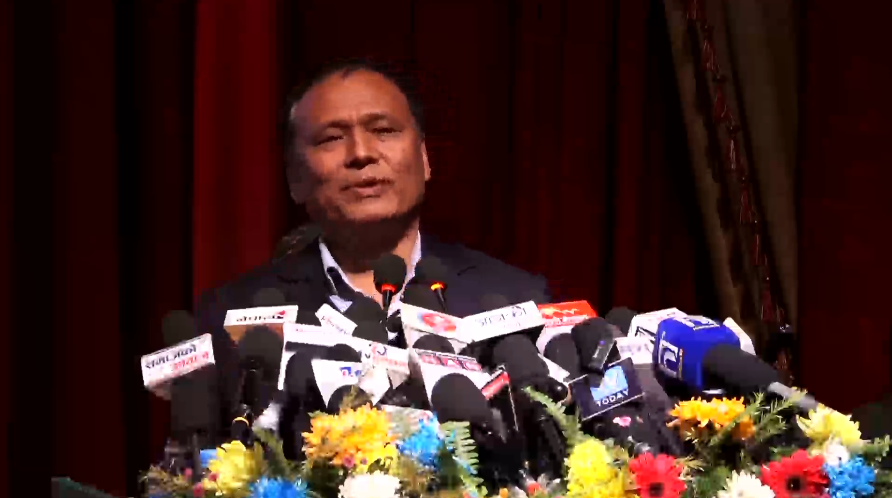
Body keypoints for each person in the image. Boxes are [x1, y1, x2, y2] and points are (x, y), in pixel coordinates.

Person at [194, 58, 551, 442]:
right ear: (295, 178)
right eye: (332, 138)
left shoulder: (517, 299)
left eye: (383, 130)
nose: (361, 153)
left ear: (425, 159)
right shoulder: (229, 318)